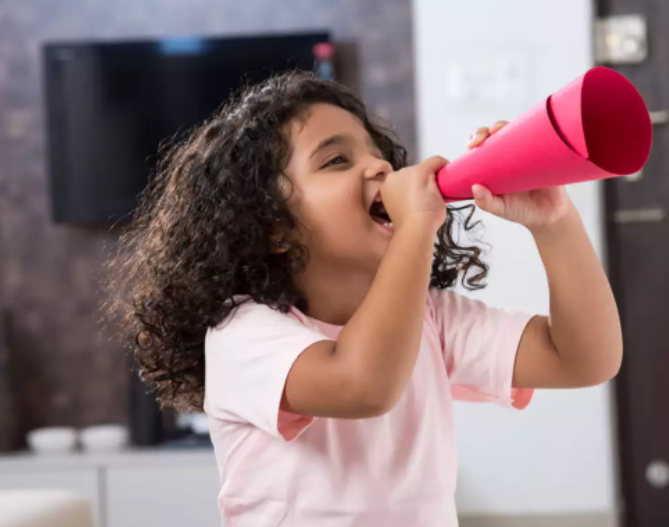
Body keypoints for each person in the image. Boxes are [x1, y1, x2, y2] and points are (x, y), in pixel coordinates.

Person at [108, 72, 622, 527]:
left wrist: (554, 222)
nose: (378, 167)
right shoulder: (243, 334)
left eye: (376, 152)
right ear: (272, 227)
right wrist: (416, 228)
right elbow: (362, 385)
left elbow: (582, 358)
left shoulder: (430, 319)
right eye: (336, 159)